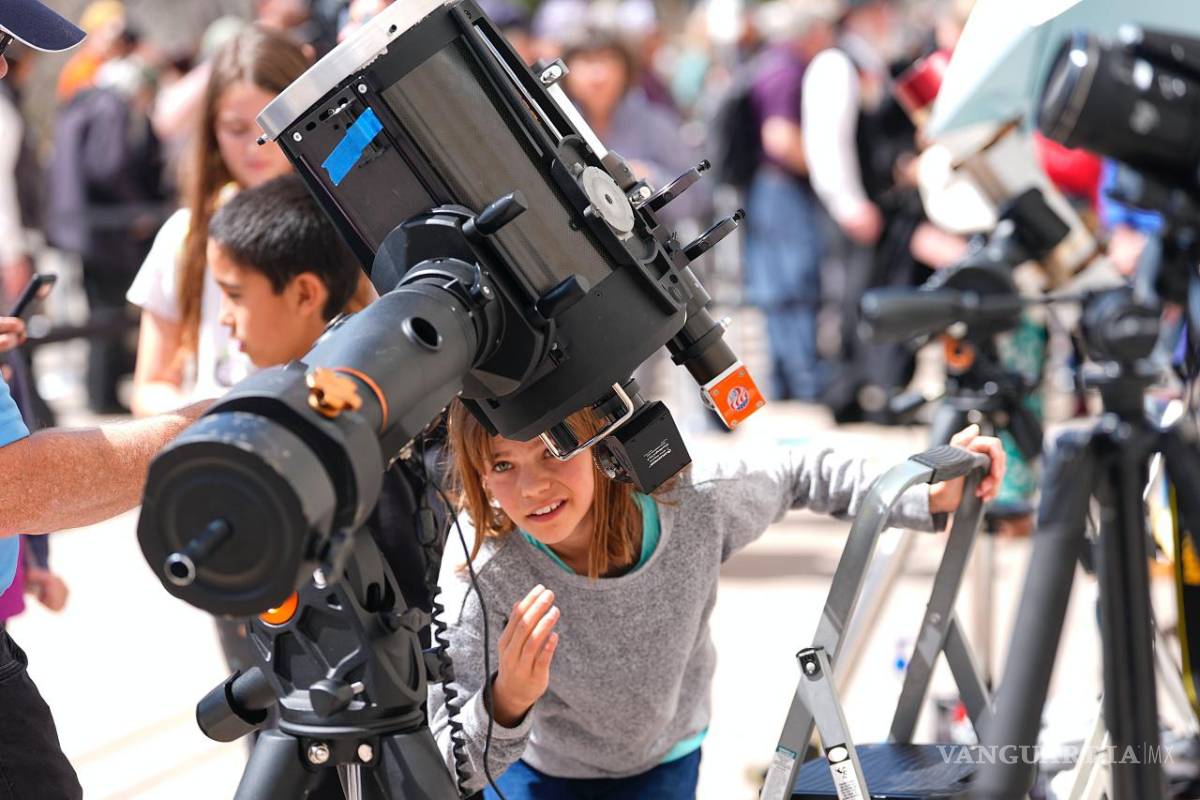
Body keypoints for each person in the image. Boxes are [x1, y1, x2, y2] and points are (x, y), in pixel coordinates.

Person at [430, 404, 1004, 797]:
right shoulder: (481, 576)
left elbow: (800, 469)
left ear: (602, 442)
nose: (530, 488)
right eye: (503, 466)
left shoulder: (694, 503)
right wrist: (507, 702)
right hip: (543, 775)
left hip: (671, 756)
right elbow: (446, 763)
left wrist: (926, 491)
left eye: (552, 452)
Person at [126, 25, 309, 417]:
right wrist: (213, 418)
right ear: (211, 129)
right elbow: (150, 384)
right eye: (236, 129)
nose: (254, 147)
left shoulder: (349, 225)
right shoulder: (185, 235)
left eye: (270, 126)